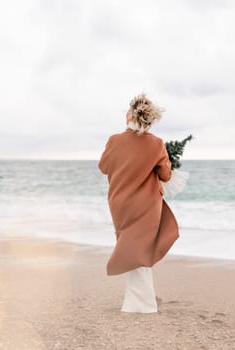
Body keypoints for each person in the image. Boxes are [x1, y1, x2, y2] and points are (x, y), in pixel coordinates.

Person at [98, 93, 180, 313]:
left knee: (133, 250)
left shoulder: (114, 140)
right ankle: (143, 305)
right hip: (146, 204)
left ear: (129, 115)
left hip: (119, 203)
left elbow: (104, 167)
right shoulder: (156, 143)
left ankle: (138, 303)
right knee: (140, 251)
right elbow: (166, 175)